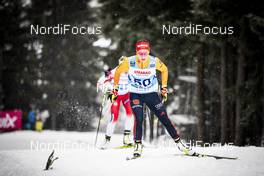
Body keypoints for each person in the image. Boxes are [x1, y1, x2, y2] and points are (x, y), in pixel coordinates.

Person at [111, 40, 195, 157]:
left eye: (145, 53)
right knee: (139, 118)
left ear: (149, 52)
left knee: (163, 117)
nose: (143, 56)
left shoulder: (154, 61)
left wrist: (164, 87)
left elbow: (164, 69)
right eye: (141, 53)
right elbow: (118, 72)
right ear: (137, 52)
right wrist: (115, 88)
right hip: (135, 94)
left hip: (151, 94)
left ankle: (180, 143)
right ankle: (138, 145)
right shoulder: (129, 62)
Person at [97, 57, 134, 149]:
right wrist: (107, 87)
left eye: (127, 66)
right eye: (123, 66)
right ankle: (107, 140)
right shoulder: (112, 72)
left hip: (126, 95)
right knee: (114, 118)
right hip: (116, 96)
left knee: (130, 114)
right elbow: (100, 82)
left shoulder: (132, 71)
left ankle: (126, 138)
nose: (125, 68)